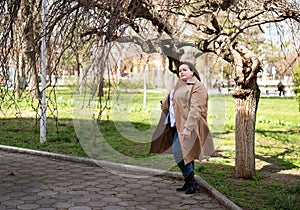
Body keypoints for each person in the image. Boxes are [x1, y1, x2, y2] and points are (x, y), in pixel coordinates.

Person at [150, 61, 215, 194]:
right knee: (186, 154)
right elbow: (173, 102)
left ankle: (191, 180)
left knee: (178, 152)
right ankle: (189, 182)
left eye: (185, 69)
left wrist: (187, 128)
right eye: (180, 71)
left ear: (192, 71)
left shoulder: (198, 87)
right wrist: (165, 105)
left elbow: (196, 109)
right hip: (175, 125)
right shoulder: (179, 85)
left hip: (189, 126)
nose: (182, 72)